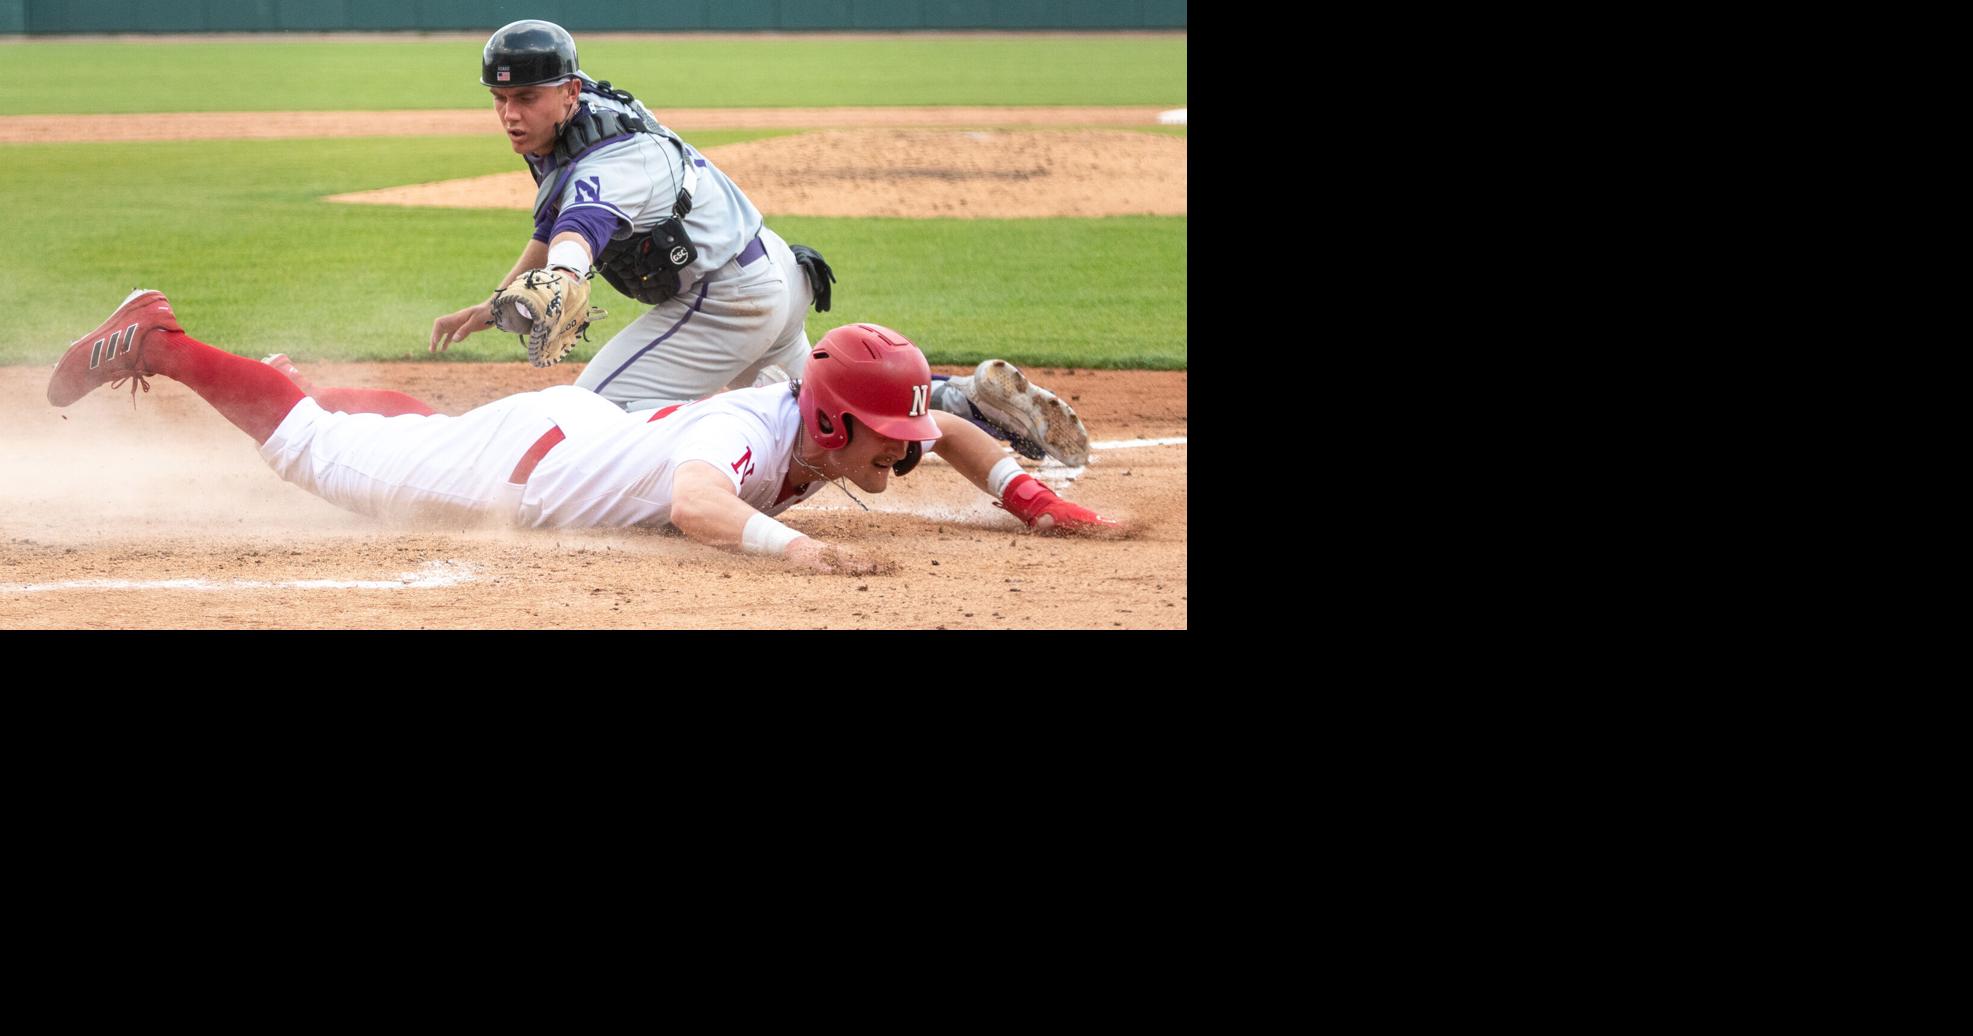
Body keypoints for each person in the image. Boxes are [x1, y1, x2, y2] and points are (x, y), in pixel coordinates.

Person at [49, 291, 1117, 574]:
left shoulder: (829, 418)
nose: (903, 448)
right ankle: (161, 342)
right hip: (513, 471)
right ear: (835, 420)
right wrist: (801, 549)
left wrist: (1031, 497)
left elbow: (950, 432)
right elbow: (701, 504)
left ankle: (288, 385)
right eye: (883, 436)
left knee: (402, 434)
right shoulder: (757, 431)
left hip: (567, 431)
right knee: (315, 458)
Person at [423, 19, 1091, 467]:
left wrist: (562, 278)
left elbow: (576, 232)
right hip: (769, 274)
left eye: (527, 96)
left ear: (569, 91)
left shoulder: (609, 163)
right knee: (817, 417)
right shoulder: (570, 120)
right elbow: (552, 224)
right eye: (499, 97)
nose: (510, 112)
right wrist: (492, 306)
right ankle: (953, 401)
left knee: (583, 430)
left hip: (724, 304)